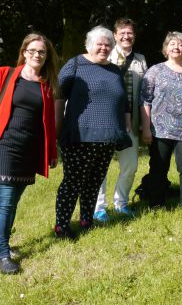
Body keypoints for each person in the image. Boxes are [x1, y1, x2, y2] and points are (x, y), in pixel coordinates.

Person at [0, 33, 59, 274]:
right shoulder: (5, 74)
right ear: (24, 52)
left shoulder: (45, 83)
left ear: (46, 57)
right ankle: (2, 254)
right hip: (4, 146)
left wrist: (51, 152)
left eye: (41, 52)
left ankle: (5, 245)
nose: (37, 55)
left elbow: (49, 123)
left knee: (14, 202)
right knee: (5, 201)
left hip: (30, 149)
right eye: (32, 50)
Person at [54, 26, 131, 238]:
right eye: (100, 44)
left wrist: (125, 125)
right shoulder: (76, 64)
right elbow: (58, 95)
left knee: (94, 180)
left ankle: (87, 219)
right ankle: (62, 224)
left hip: (107, 137)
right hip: (79, 135)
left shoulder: (115, 69)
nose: (104, 48)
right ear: (90, 45)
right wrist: (57, 126)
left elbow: (123, 100)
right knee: (73, 181)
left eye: (108, 44)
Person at [140, 31, 182, 216]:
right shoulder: (155, 71)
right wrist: (146, 128)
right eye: (172, 44)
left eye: (180, 44)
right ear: (165, 48)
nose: (176, 47)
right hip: (160, 129)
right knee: (158, 167)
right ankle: (156, 204)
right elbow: (145, 101)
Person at [93, 18, 147, 222]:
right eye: (122, 33)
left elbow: (144, 92)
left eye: (130, 33)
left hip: (131, 122)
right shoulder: (104, 55)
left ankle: (121, 203)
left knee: (130, 165)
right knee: (101, 167)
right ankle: (99, 208)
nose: (126, 36)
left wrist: (143, 122)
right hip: (106, 122)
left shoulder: (141, 59)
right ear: (115, 36)